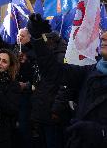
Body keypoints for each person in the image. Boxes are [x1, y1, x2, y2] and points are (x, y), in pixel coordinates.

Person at [27, 13, 107, 148]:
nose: (103, 36)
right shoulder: (91, 70)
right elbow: (54, 72)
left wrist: (101, 133)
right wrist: (37, 39)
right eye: (104, 33)